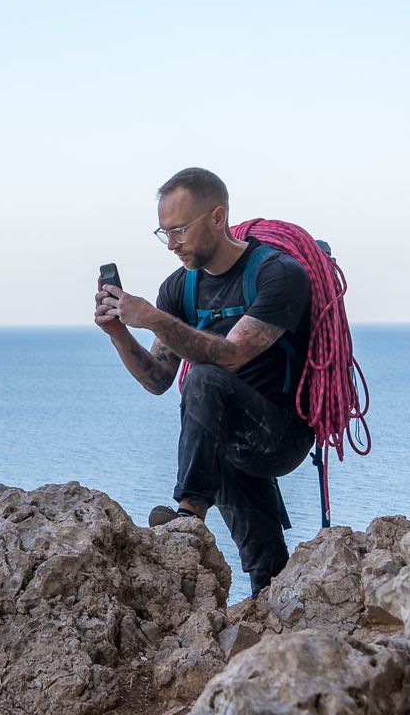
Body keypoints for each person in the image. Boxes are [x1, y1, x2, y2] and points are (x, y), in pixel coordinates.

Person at [94, 167, 316, 595]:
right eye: (164, 233)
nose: (172, 244)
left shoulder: (278, 275)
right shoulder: (179, 288)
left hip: (281, 434)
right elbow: (159, 379)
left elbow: (232, 356)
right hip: (224, 437)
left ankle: (189, 515)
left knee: (207, 378)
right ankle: (273, 628)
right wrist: (119, 333)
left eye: (178, 230)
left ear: (217, 218)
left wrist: (155, 319)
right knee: (266, 566)